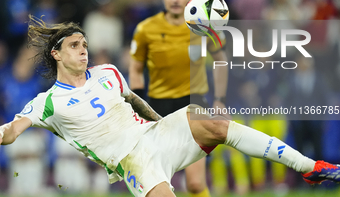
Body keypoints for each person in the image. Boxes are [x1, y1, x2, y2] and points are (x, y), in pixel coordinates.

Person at [1, 16, 340, 197]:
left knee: (212, 121)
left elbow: (134, 100)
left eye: (85, 44)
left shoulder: (107, 73)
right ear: (57, 54)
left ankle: (311, 167)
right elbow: (12, 132)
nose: (83, 50)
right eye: (75, 45)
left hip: (157, 134)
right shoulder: (47, 103)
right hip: (131, 161)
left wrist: (166, 128)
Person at [129, 0, 228, 196]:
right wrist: (136, 108)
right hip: (156, 109)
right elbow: (135, 70)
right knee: (156, 181)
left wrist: (220, 99)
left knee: (194, 184)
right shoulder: (146, 29)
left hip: (194, 105)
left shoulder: (203, 25)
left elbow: (221, 61)